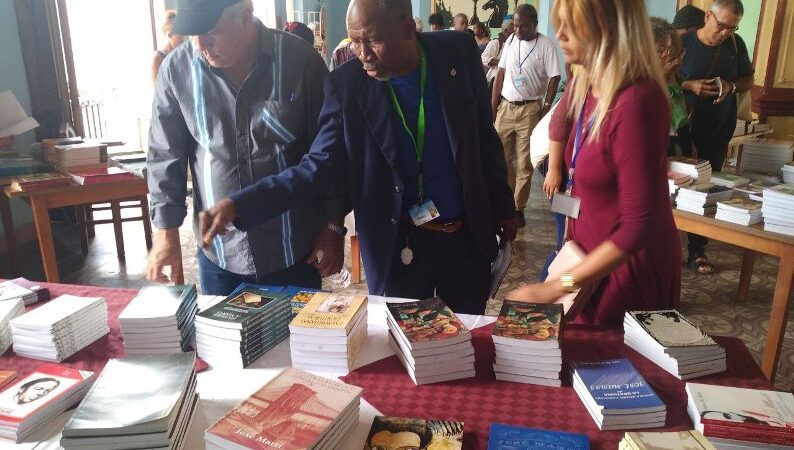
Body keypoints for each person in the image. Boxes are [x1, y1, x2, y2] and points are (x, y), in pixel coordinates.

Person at [197, 0, 517, 314]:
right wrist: (240, 204)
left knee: (467, 336)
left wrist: (504, 207)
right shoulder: (347, 85)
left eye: (372, 40)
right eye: (354, 41)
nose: (362, 54)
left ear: (408, 27)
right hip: (398, 243)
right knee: (400, 340)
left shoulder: (457, 52)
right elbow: (316, 166)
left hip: (465, 237)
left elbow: (484, 135)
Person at [146, 0, 346, 295]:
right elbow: (165, 154)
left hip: (293, 248)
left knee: (298, 327)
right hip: (219, 253)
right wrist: (166, 232)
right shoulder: (177, 70)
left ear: (245, 15)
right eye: (193, 34)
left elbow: (329, 155)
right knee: (220, 326)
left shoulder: (300, 62)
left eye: (210, 32)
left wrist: (333, 226)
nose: (200, 45)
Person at [508, 0, 680, 327]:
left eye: (571, 27)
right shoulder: (586, 80)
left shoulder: (636, 100)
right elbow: (561, 127)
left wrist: (556, 286)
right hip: (588, 263)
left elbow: (636, 228)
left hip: (623, 271)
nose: (559, 35)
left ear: (608, 29)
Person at [679, 0, 753, 274]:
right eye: (721, 25)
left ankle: (697, 251)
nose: (724, 33)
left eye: (732, 28)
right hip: (681, 129)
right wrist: (689, 84)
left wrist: (731, 85)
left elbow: (748, 80)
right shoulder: (683, 43)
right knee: (674, 186)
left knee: (705, 188)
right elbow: (658, 77)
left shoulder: (736, 45)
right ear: (708, 16)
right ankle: (661, 246)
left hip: (717, 128)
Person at [491, 4, 560, 228]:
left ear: (535, 25)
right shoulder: (511, 41)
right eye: (516, 26)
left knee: (523, 163)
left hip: (529, 110)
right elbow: (500, 72)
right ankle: (502, 204)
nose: (518, 30)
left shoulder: (545, 45)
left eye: (523, 27)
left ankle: (517, 208)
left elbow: (555, 77)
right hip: (506, 107)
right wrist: (494, 103)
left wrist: (546, 107)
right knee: (501, 160)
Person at [651, 17, 691, 157]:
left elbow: (681, 121)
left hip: (678, 142)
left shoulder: (676, 78)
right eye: (671, 59)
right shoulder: (638, 88)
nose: (678, 62)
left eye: (680, 54)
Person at [151, 10, 185, 83]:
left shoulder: (182, 55)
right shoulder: (158, 59)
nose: (183, 41)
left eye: (183, 37)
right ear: (169, 35)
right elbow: (157, 88)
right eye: (179, 38)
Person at [481, 16, 513, 91]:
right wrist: (502, 62)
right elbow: (484, 58)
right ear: (505, 30)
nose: (515, 29)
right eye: (512, 27)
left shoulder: (514, 43)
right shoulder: (496, 43)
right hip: (495, 80)